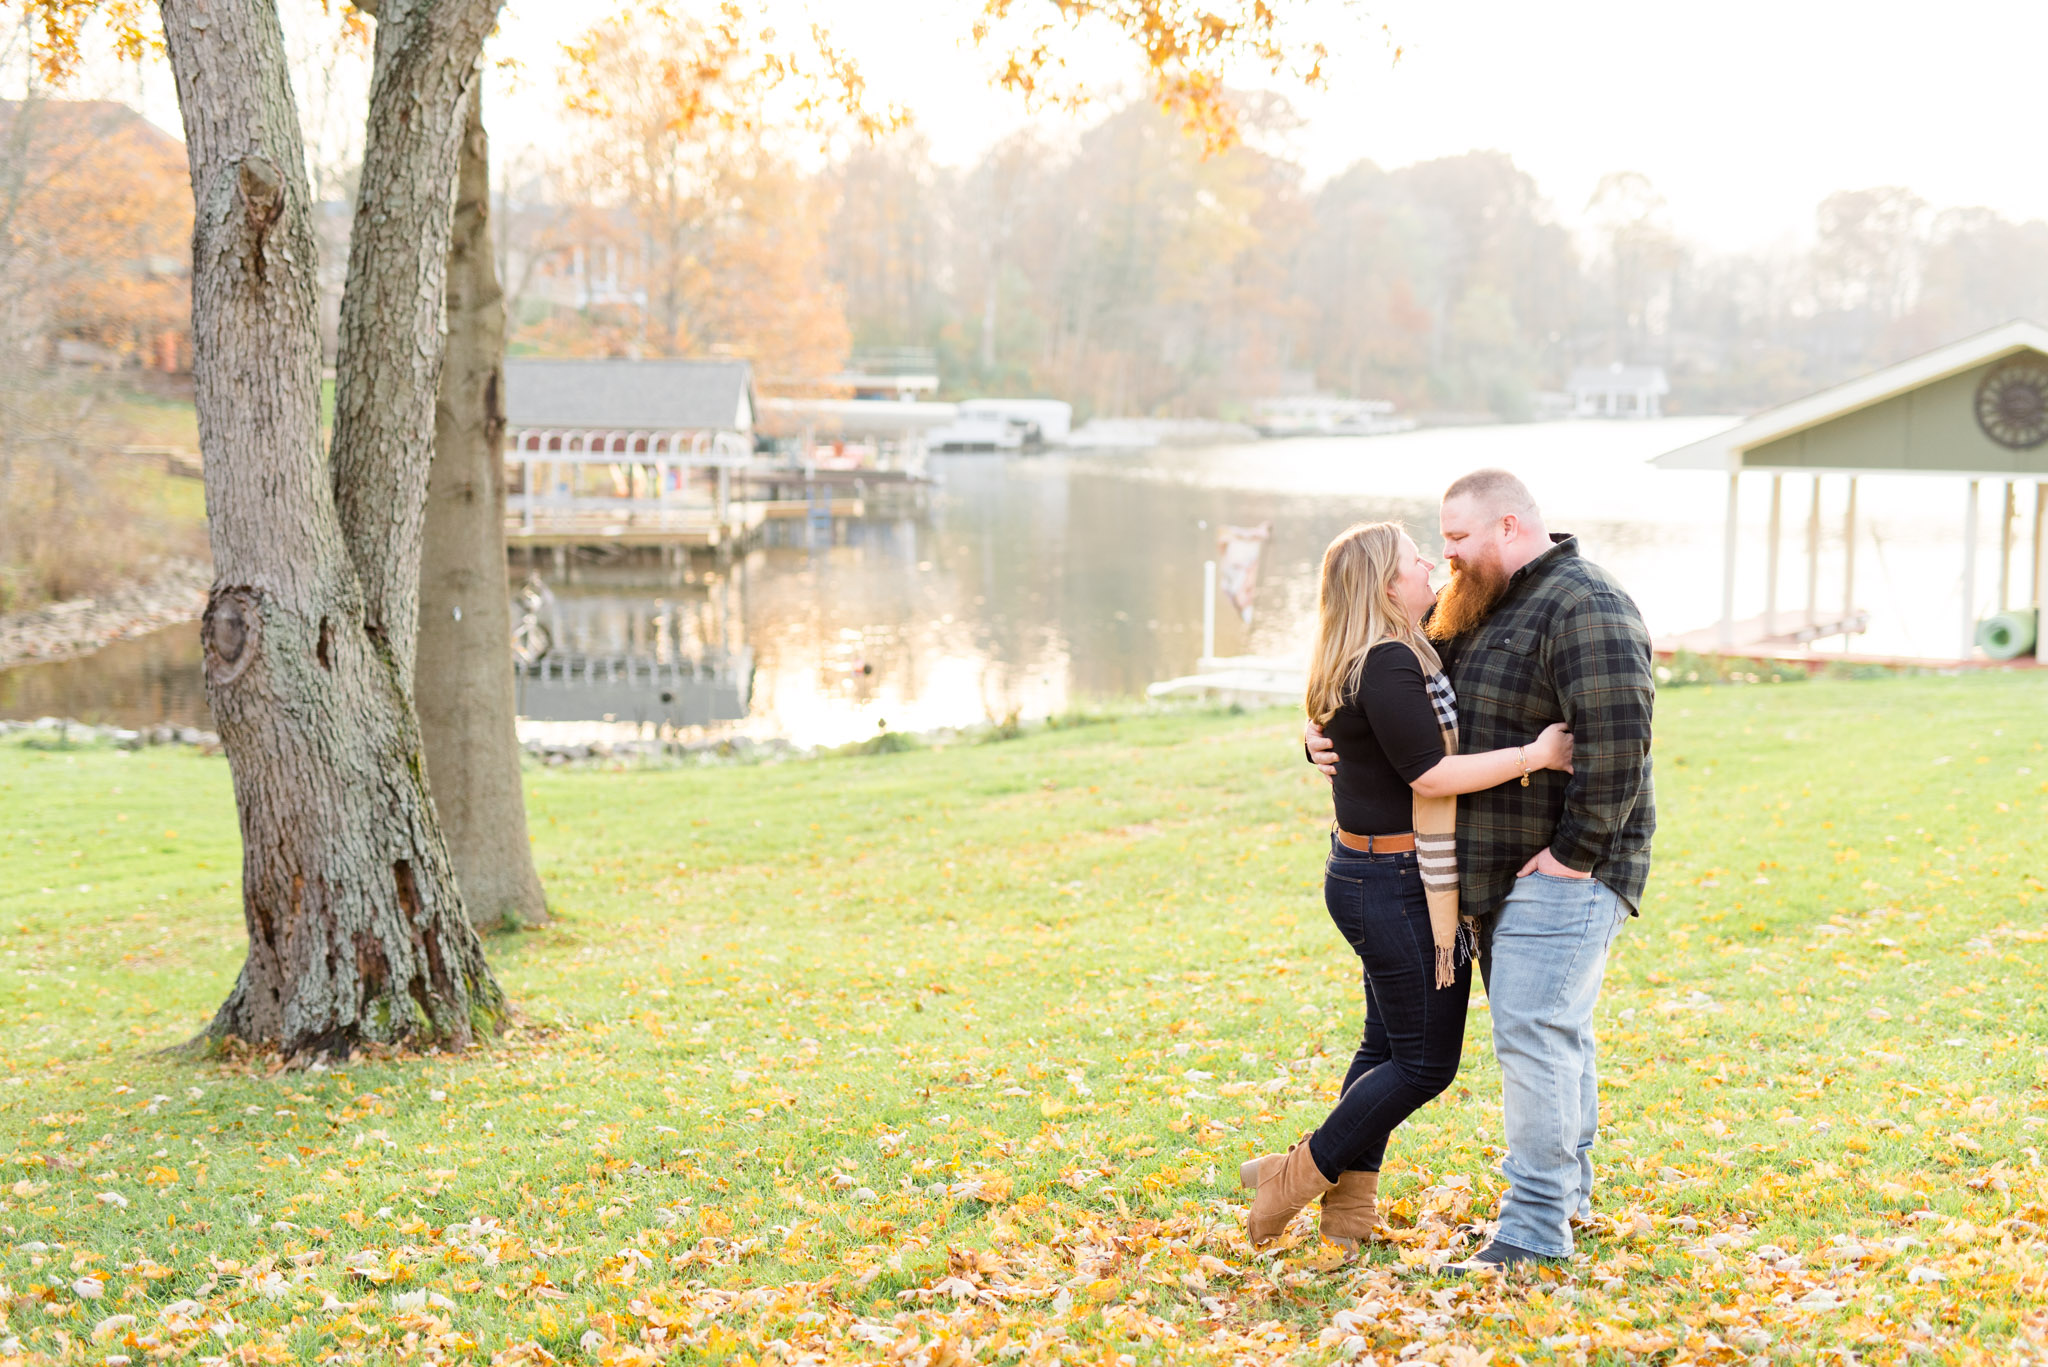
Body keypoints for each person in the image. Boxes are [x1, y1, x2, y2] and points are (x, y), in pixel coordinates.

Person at [1305, 470, 1656, 1272]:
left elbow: (1620, 742)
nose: (1446, 556)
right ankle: (1564, 1200)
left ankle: (1534, 1231)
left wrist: (1573, 856)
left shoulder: (1584, 604)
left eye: (1457, 538)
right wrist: (1321, 739)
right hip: (1484, 873)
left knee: (1534, 1035)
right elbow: (1377, 685)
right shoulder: (1476, 601)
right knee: (1555, 1035)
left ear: (1507, 525)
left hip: (1561, 870)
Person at [1240, 520, 1575, 1249]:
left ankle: (1348, 1215)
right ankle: (1294, 1175)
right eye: (1413, 559)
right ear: (1386, 586)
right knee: (1424, 1063)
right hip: (1393, 880)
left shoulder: (1377, 648)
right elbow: (1428, 772)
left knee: (1383, 1045)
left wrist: (1313, 740)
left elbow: (1349, 735)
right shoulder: (1389, 660)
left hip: (1370, 870)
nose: (1431, 563)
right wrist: (1538, 754)